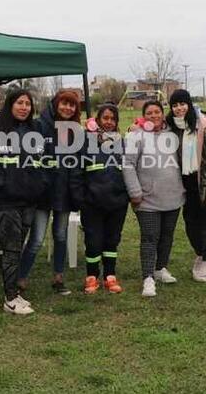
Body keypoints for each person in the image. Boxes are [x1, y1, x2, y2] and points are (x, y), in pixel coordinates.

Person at [0, 89, 48, 315]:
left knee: (16, 248)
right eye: (19, 103)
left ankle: (14, 291)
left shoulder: (34, 131)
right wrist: (6, 185)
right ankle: (10, 299)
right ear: (10, 104)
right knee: (12, 248)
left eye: (27, 103)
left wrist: (38, 185)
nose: (24, 107)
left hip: (28, 202)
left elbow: (43, 162)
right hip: (0, 203)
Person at [17, 89, 81, 296]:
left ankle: (58, 277)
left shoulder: (74, 130)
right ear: (55, 103)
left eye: (72, 105)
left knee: (60, 235)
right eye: (64, 103)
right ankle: (20, 278)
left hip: (63, 192)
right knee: (36, 239)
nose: (68, 108)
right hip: (42, 193)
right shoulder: (38, 126)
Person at [122, 100, 185, 297]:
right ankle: (148, 277)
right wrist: (135, 192)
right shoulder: (136, 136)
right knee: (150, 237)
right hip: (147, 199)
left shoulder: (172, 134)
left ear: (163, 113)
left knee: (167, 236)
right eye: (149, 113)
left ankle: (160, 268)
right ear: (143, 116)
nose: (154, 116)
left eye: (157, 112)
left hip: (173, 197)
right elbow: (128, 165)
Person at [70, 103, 129, 294]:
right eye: (105, 118)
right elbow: (76, 172)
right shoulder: (86, 142)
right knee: (94, 241)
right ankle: (92, 276)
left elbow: (130, 170)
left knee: (112, 240)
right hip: (92, 203)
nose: (109, 122)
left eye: (113, 118)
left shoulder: (123, 143)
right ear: (98, 120)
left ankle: (110, 276)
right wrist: (80, 199)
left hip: (118, 202)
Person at [166, 89, 206, 282]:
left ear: (189, 104)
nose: (179, 108)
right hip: (185, 184)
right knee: (191, 222)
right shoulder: (171, 127)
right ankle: (201, 252)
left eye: (182, 104)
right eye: (175, 105)